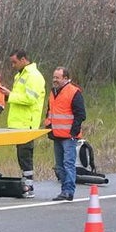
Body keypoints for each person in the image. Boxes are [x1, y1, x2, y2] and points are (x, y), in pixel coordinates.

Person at [3, 49, 46, 198]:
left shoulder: (33, 76)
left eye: (15, 62)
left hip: (27, 123)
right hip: (19, 123)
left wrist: (10, 95)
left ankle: (29, 186)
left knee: (25, 156)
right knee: (21, 156)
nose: (13, 65)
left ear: (23, 60)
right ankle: (25, 184)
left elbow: (30, 99)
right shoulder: (20, 75)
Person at [44, 66, 86, 201]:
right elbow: (50, 112)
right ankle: (64, 190)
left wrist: (73, 132)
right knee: (59, 166)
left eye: (57, 77)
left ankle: (68, 191)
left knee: (68, 164)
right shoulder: (53, 92)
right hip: (56, 135)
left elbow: (81, 114)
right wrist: (49, 127)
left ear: (66, 78)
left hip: (69, 137)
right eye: (54, 77)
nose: (54, 80)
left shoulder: (74, 92)